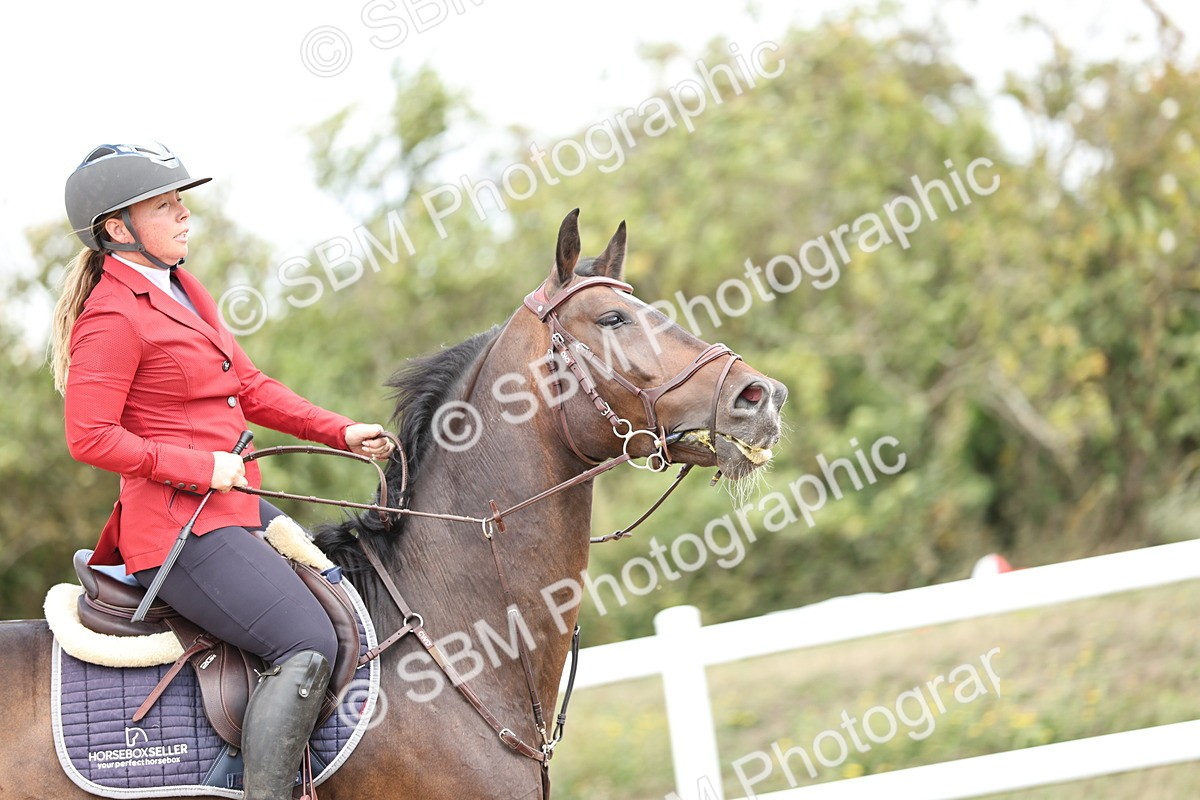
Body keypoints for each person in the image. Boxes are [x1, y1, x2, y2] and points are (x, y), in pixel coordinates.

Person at [51, 142, 393, 800]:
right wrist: (201, 466)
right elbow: (89, 437)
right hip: (176, 531)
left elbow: (251, 386)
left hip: (232, 511)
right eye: (165, 205)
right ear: (118, 230)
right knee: (304, 640)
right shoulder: (111, 317)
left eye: (181, 202)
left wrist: (340, 430)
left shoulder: (183, 289)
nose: (184, 215)